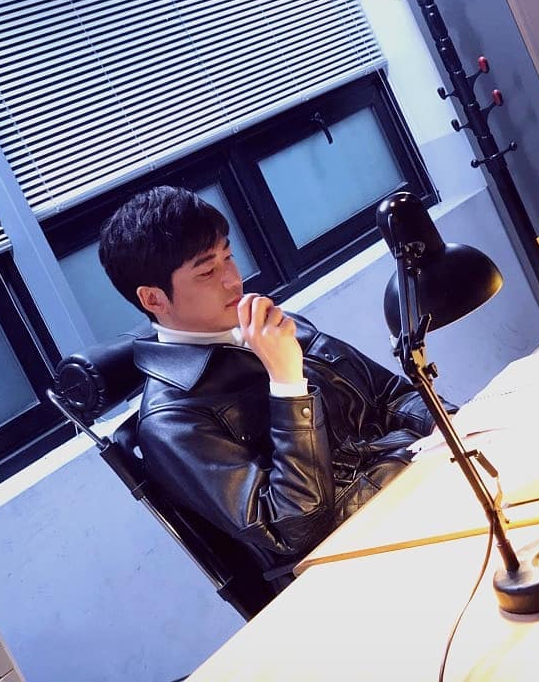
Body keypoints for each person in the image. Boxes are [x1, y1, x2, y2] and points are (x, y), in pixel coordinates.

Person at [98, 186, 444, 588]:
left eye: (228, 256)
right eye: (207, 272)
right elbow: (295, 527)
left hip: (418, 492)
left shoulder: (271, 325)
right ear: (153, 299)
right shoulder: (170, 422)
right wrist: (287, 384)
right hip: (361, 565)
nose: (233, 280)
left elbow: (391, 395)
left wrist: (452, 427)